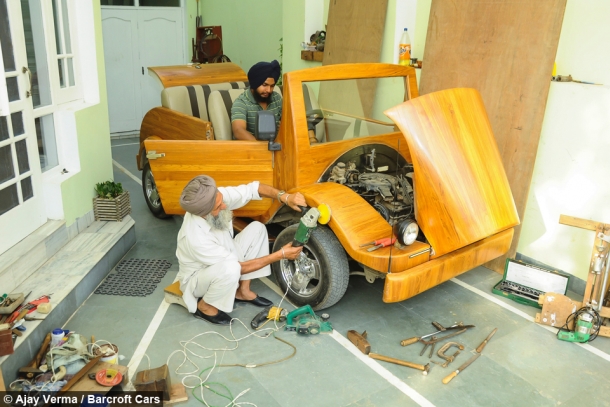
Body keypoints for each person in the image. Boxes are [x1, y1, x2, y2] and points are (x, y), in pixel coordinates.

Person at [176, 175, 306, 325]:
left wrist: (285, 197)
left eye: (221, 201)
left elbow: (254, 188)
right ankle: (205, 306)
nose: (224, 206)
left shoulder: (217, 198)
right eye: (218, 207)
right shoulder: (195, 237)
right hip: (198, 278)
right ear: (204, 214)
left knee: (258, 229)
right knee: (231, 268)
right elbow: (239, 268)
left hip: (225, 254)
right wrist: (281, 254)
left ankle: (243, 291)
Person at [231, 60, 282, 141]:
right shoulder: (241, 102)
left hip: (276, 148)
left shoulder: (277, 98)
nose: (268, 90)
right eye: (264, 85)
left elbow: (287, 122)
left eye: (272, 86)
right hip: (252, 150)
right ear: (255, 83)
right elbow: (238, 131)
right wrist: (262, 148)